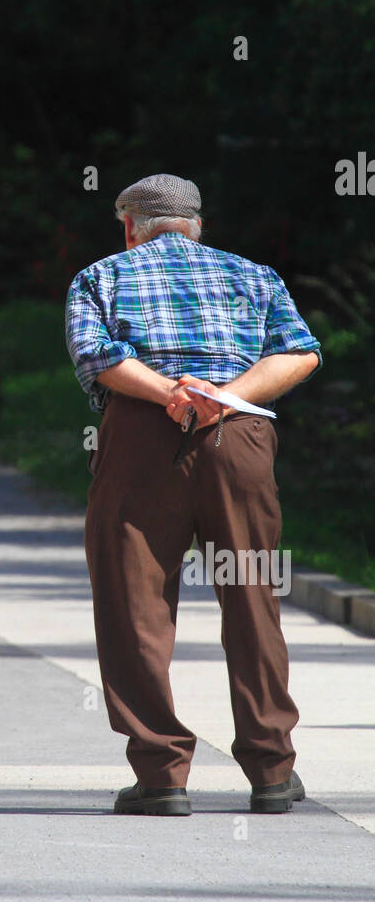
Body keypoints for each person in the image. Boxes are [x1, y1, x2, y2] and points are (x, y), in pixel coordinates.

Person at [65, 173, 321, 816]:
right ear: (197, 224)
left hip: (141, 442)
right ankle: (271, 771)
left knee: (135, 602)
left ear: (130, 228)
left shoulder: (101, 276)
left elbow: (98, 358)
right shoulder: (254, 275)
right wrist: (224, 394)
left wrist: (169, 394)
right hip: (238, 439)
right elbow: (301, 353)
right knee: (252, 598)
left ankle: (162, 775)